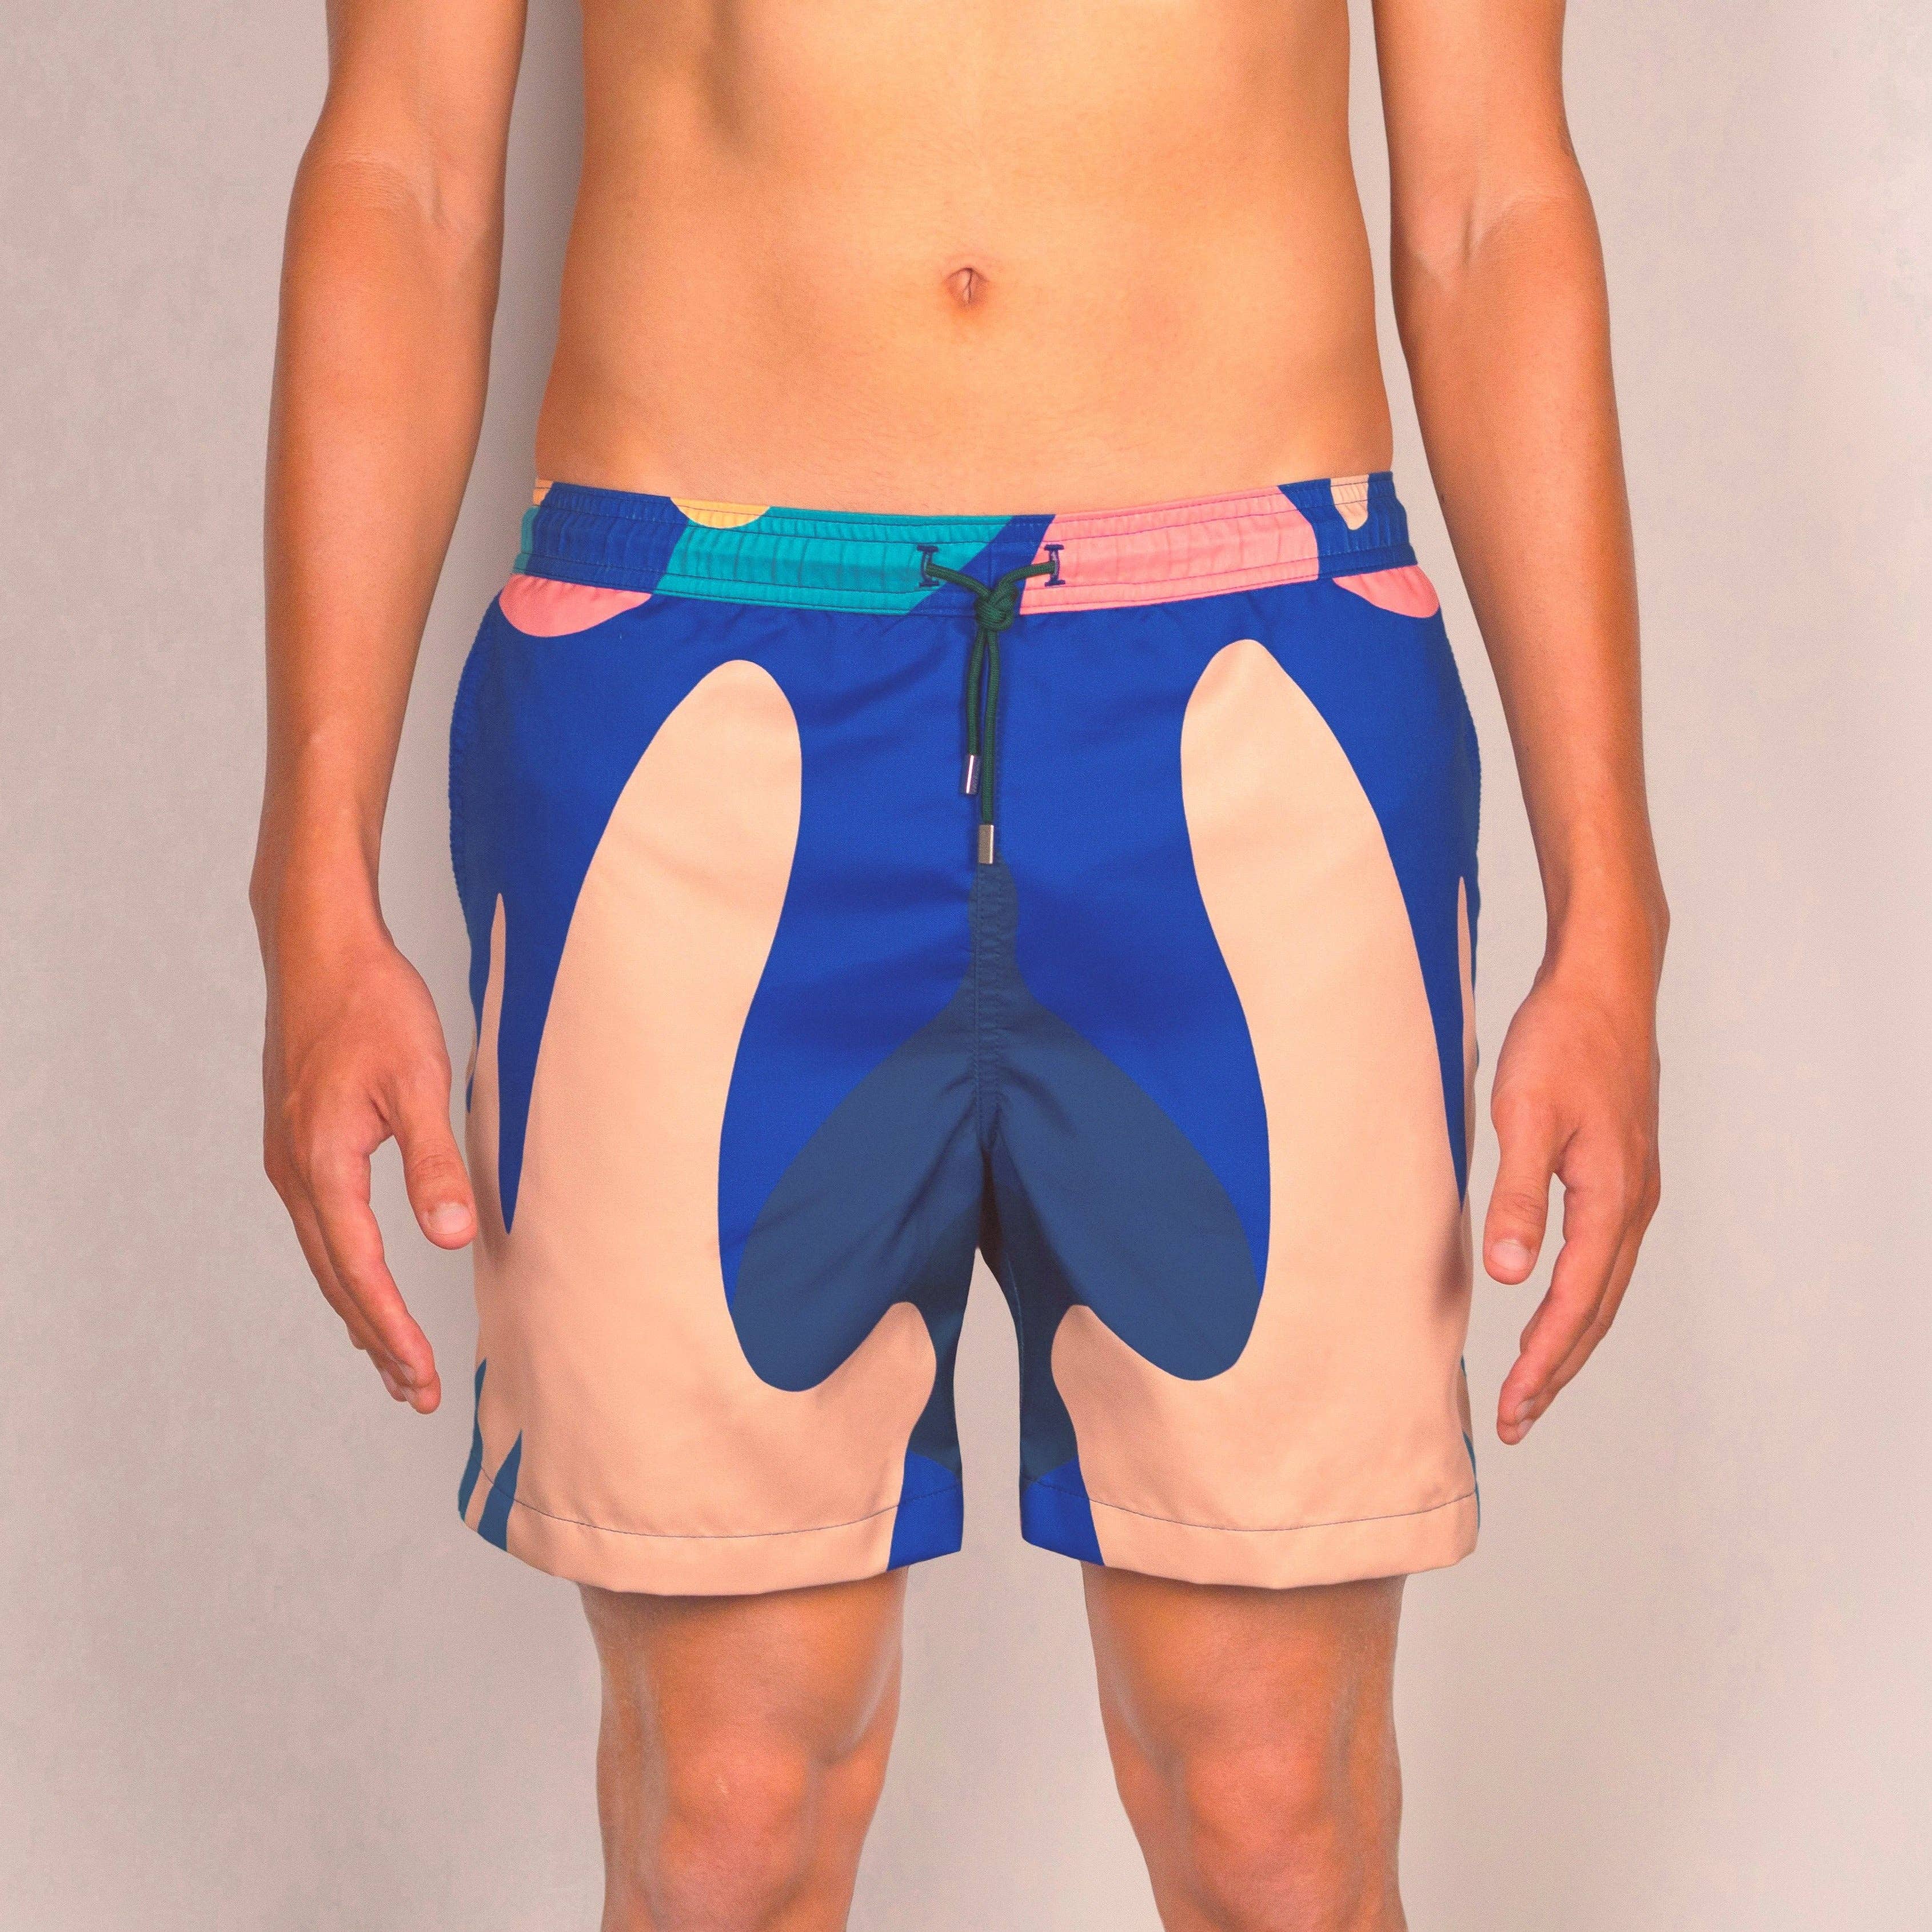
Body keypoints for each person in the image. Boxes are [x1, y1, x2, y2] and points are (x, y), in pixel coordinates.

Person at [252, 0, 1666, 1922]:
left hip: (1251, 682)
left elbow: (1491, 200)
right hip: (692, 680)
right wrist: (311, 876)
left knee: (1271, 1811)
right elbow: (404, 171)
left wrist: (1609, 902)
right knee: (728, 1817)